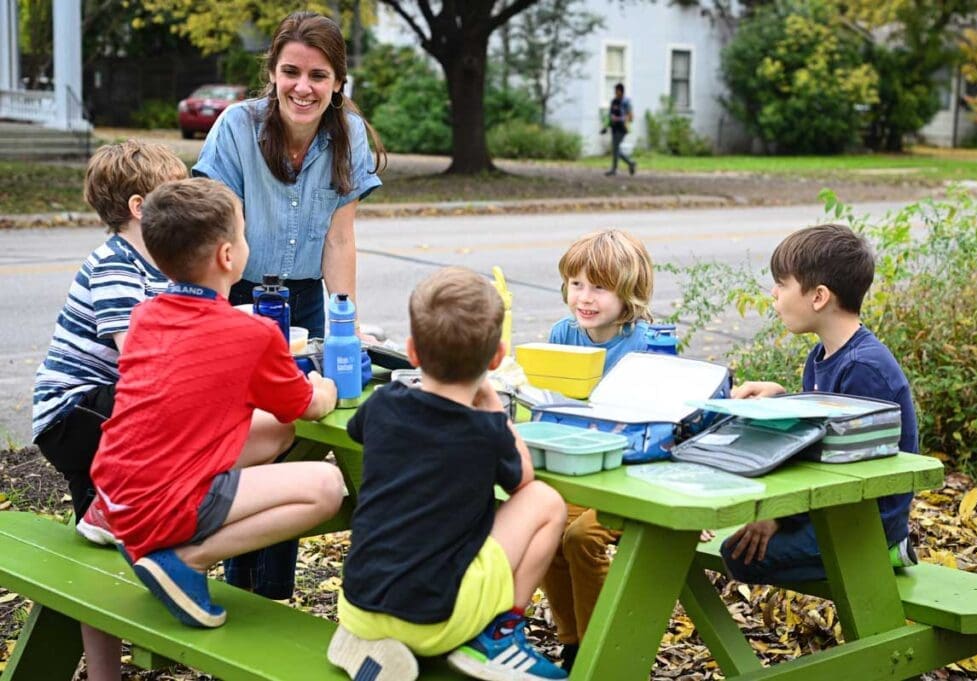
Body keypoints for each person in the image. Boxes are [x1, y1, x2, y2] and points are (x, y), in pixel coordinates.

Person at [89, 178, 345, 628]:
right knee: (326, 485)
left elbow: (278, 419)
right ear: (228, 257)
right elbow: (308, 405)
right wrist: (328, 388)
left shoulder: (146, 315)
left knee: (278, 431)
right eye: (243, 235)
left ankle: (159, 541)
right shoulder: (253, 334)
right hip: (160, 507)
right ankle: (188, 560)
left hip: (115, 494)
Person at [192, 10, 384, 599]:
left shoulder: (349, 136)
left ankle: (270, 594)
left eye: (319, 76)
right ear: (273, 73)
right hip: (238, 292)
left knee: (295, 430)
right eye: (292, 72)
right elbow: (218, 230)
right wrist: (221, 319)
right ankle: (233, 586)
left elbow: (340, 238)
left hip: (303, 301)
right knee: (241, 439)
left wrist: (343, 322)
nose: (304, 86)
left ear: (337, 83)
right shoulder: (236, 127)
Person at [328, 267, 569, 681]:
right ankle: (499, 634)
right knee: (547, 502)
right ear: (496, 358)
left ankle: (371, 641)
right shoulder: (486, 431)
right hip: (435, 621)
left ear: (412, 352)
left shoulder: (382, 407)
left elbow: (359, 430)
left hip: (357, 605)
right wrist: (493, 406)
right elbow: (523, 480)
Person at [31, 139, 187, 681]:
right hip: (76, 416)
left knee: (99, 549)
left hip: (105, 415)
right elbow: (140, 361)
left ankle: (106, 674)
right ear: (143, 207)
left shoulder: (158, 266)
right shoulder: (116, 267)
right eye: (177, 195)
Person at [722, 223, 920, 584]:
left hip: (865, 522)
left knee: (739, 556)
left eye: (782, 284)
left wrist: (780, 517)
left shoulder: (864, 369)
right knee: (736, 542)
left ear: (819, 297)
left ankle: (881, 556)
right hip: (837, 505)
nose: (773, 293)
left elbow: (850, 469)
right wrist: (783, 401)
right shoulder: (823, 356)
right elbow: (825, 435)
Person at [541, 228, 653, 671]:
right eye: (576, 284)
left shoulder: (646, 345)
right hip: (577, 471)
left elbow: (666, 424)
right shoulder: (563, 333)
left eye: (600, 287)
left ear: (630, 294)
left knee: (582, 537)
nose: (584, 298)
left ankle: (600, 647)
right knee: (546, 525)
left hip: (630, 477)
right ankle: (572, 644)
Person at [603, 83, 636, 177]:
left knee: (615, 149)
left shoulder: (626, 102)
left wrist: (620, 119)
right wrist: (605, 126)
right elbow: (610, 115)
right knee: (616, 150)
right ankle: (631, 163)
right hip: (614, 127)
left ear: (621, 91)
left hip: (622, 128)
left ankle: (614, 169)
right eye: (615, 91)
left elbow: (630, 117)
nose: (615, 92)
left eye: (616, 91)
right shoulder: (614, 101)